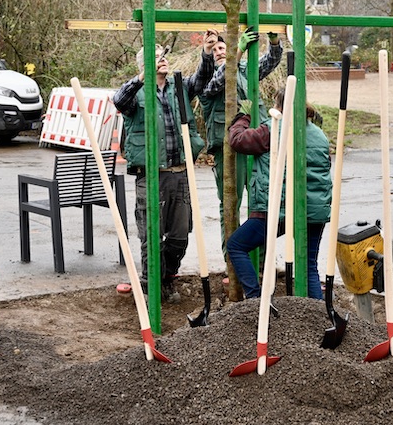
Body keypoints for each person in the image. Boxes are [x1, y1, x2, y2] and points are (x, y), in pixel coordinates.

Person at [113, 30, 218, 302]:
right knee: (151, 236)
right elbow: (119, 101)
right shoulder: (136, 92)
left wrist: (206, 53)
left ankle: (167, 277)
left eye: (163, 56)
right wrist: (141, 78)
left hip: (180, 173)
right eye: (156, 57)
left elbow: (203, 79)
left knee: (180, 236)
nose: (162, 61)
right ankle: (151, 288)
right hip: (151, 176)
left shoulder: (178, 87)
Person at [224, 89, 332, 300]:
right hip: (314, 211)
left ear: (279, 106)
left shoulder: (274, 128)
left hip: (279, 209)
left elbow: (238, 140)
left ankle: (256, 300)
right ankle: (320, 316)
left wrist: (242, 118)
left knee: (236, 245)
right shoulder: (319, 134)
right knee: (308, 264)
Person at [198, 28, 282, 246]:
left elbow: (269, 62)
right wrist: (238, 51)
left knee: (261, 204)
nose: (218, 51)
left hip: (255, 147)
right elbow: (223, 78)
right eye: (214, 49)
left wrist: (274, 43)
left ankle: (260, 262)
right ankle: (232, 263)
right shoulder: (207, 79)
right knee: (230, 204)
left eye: (222, 47)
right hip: (229, 151)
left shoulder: (245, 70)